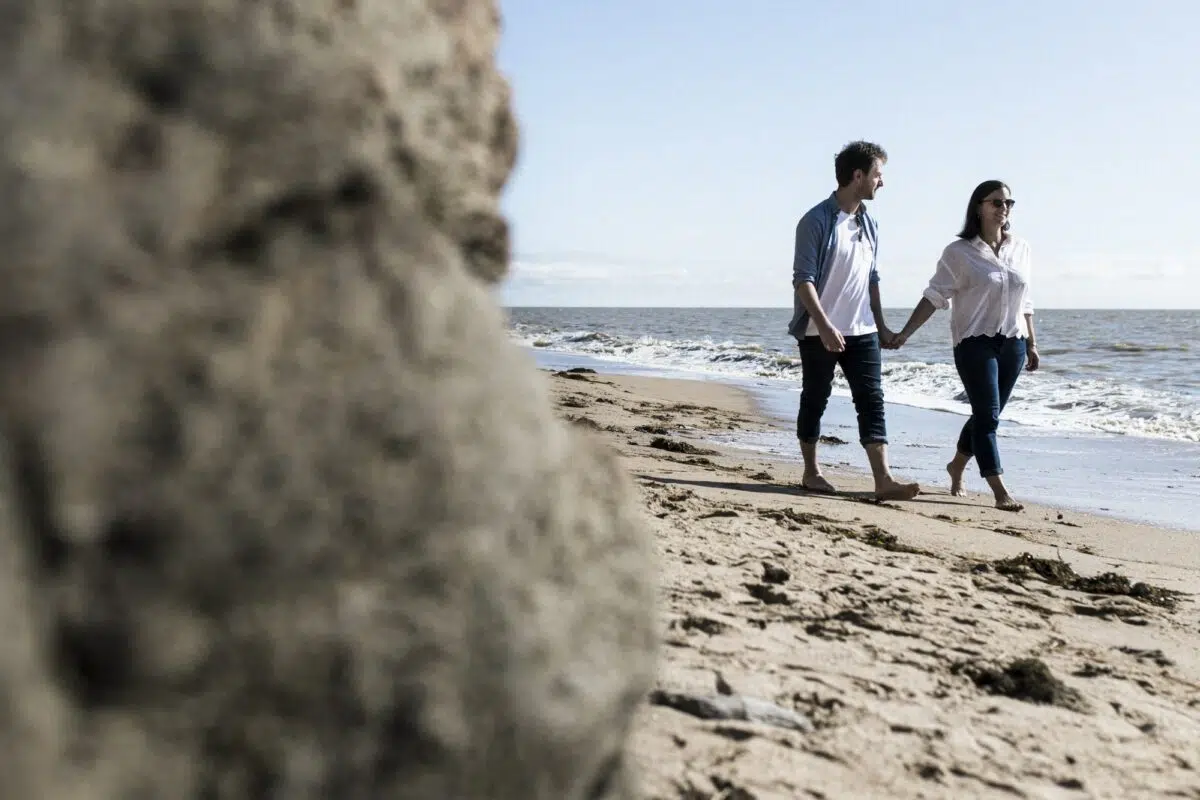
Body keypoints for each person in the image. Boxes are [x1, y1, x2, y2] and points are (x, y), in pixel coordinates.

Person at [891, 179, 1040, 511]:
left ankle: (957, 465)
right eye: (997, 202)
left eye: (1009, 203)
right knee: (987, 416)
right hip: (974, 343)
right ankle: (999, 489)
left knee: (987, 415)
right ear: (979, 208)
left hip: (1013, 344)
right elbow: (934, 296)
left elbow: (1025, 300)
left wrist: (1032, 342)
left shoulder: (1021, 248)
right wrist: (905, 333)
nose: (1004, 208)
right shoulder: (958, 253)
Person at [788, 141, 920, 501]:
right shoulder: (815, 221)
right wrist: (825, 326)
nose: (882, 182)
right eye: (878, 174)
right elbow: (803, 280)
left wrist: (881, 325)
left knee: (871, 399)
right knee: (815, 398)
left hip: (862, 330)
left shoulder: (869, 223)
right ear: (858, 175)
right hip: (818, 331)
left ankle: (883, 479)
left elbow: (871, 278)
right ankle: (811, 472)